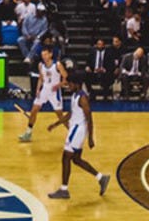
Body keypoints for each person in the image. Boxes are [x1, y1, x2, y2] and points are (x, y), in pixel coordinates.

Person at [45, 70, 111, 199]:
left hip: (78, 131)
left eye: (70, 84)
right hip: (75, 130)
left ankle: (64, 189)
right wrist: (56, 124)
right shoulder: (75, 95)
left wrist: (91, 137)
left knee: (66, 157)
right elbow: (71, 114)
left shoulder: (82, 98)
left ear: (77, 84)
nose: (68, 86)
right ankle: (101, 178)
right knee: (76, 159)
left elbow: (89, 118)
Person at [19, 47, 66, 142]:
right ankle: (28, 132)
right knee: (34, 110)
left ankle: (72, 132)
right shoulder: (41, 65)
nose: (44, 57)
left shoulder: (57, 65)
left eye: (45, 55)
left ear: (50, 54)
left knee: (60, 116)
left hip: (54, 92)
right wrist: (38, 90)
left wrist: (59, 85)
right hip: (44, 90)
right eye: (42, 55)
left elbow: (66, 77)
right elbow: (41, 78)